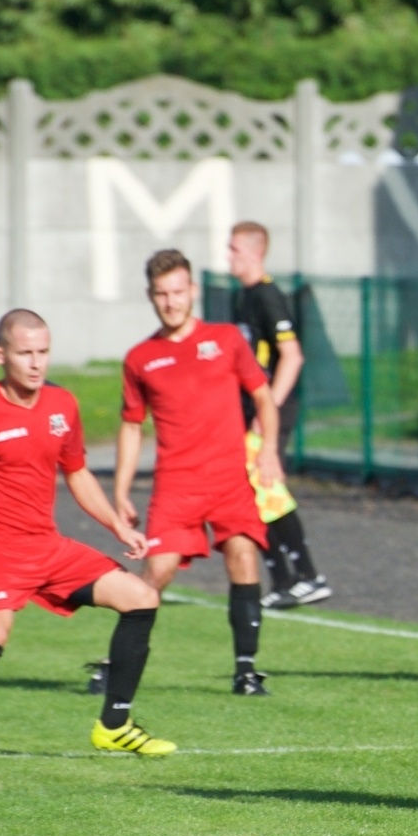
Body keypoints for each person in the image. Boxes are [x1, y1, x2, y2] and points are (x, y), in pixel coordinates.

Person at [0, 310, 174, 772]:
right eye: (25, 352)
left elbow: (77, 473)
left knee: (142, 597)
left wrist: (117, 526)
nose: (36, 363)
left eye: (43, 352)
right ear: (0, 355)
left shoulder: (62, 406)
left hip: (46, 546)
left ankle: (114, 726)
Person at [114, 249, 284, 697]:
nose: (171, 302)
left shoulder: (226, 339)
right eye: (161, 294)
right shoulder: (140, 358)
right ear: (150, 296)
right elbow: (131, 427)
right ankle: (118, 664)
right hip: (177, 484)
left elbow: (264, 399)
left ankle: (246, 670)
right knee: (158, 573)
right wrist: (120, 490)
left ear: (192, 290)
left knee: (244, 557)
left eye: (178, 291)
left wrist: (268, 450)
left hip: (229, 479)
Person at [227, 221, 330, 610]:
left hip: (271, 410)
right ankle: (285, 579)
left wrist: (265, 409)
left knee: (267, 488)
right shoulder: (244, 296)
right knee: (253, 492)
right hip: (251, 409)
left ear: (255, 252)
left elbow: (292, 355)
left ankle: (307, 575)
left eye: (235, 249)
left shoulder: (268, 296)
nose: (229, 256)